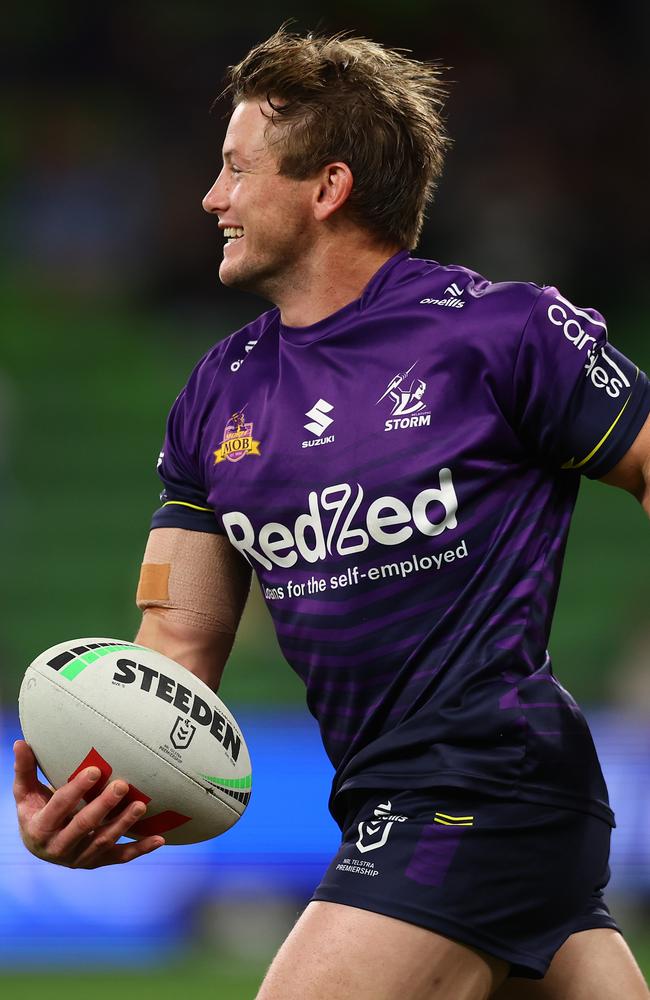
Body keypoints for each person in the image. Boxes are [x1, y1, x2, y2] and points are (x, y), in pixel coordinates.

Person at [13, 26, 650, 1000]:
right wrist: (101, 794)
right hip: (384, 801)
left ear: (327, 186)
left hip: (488, 789)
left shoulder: (503, 333)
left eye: (235, 170)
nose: (210, 199)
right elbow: (175, 652)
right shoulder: (216, 395)